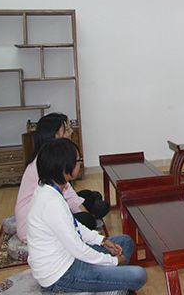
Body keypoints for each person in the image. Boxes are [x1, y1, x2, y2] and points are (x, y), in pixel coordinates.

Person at [27, 138, 147, 292]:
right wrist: (113, 262)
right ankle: (113, 281)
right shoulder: (51, 203)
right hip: (62, 275)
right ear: (64, 168)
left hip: (68, 257)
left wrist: (102, 240)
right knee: (139, 275)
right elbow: (77, 248)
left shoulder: (48, 190)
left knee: (126, 242)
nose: (80, 164)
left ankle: (112, 282)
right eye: (77, 160)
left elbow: (75, 226)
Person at [15, 113, 110, 243]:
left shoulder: (47, 156)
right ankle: (92, 216)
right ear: (55, 136)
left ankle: (91, 213)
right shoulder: (47, 162)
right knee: (89, 217)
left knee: (91, 195)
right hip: (34, 228)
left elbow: (68, 193)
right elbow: (69, 196)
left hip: (48, 212)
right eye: (67, 129)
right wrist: (88, 219)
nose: (71, 132)